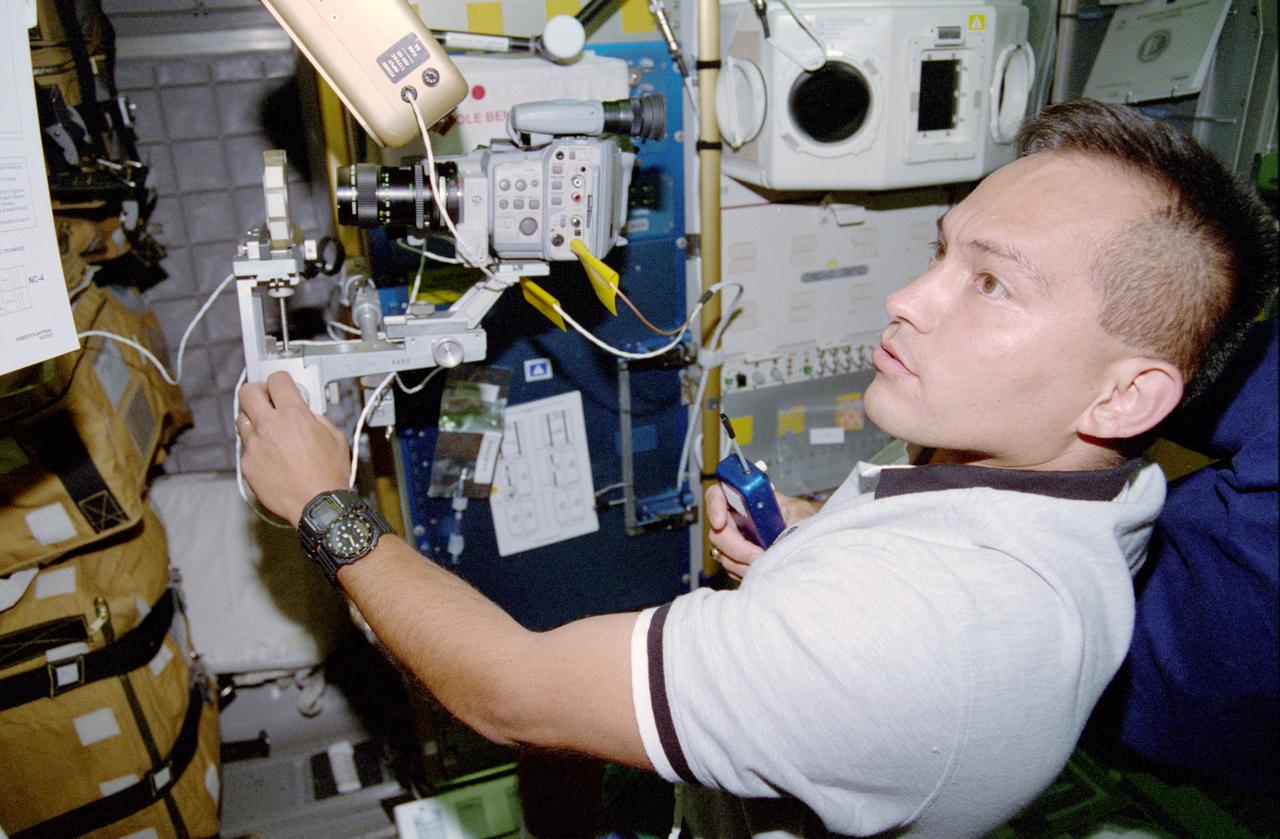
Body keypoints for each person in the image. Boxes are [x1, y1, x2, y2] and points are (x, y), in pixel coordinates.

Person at [236, 100, 1278, 838]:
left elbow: (509, 693)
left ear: (1124, 397)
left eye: (992, 284)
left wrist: (326, 504)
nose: (908, 298)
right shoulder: (1090, 497)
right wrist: (812, 537)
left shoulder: (900, 639)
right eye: (942, 252)